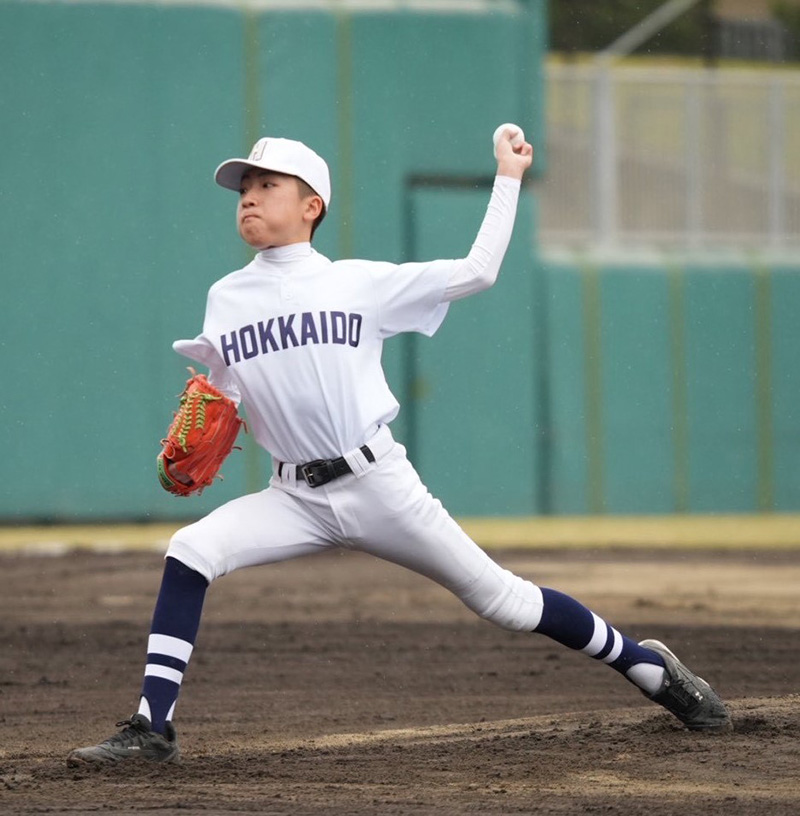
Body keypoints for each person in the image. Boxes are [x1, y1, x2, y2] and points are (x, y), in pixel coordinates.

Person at [67, 131, 731, 766]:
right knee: (191, 550)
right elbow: (219, 401)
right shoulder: (225, 299)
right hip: (292, 496)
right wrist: (187, 446)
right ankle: (153, 728)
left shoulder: (359, 283)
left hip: (377, 484)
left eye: (267, 184)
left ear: (310, 205)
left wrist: (508, 176)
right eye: (243, 186)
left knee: (505, 601)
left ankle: (649, 668)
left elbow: (478, 272)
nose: (248, 195)